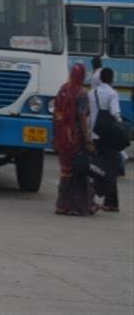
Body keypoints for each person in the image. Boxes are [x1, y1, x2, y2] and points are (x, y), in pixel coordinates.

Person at [53, 63, 97, 216]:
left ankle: (62, 205)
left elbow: (56, 114)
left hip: (61, 136)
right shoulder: (81, 93)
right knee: (80, 171)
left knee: (65, 171)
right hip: (75, 137)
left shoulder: (62, 90)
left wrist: (55, 135)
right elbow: (82, 117)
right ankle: (84, 205)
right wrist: (88, 140)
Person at [90, 67, 122, 212]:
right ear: (111, 79)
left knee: (96, 166)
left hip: (94, 135)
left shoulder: (91, 93)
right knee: (111, 169)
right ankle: (111, 202)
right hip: (108, 138)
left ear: (101, 78)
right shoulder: (112, 93)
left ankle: (91, 198)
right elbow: (115, 114)